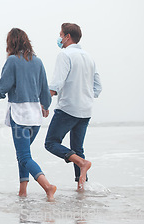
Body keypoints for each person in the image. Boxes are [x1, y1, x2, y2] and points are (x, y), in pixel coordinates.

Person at [0, 28, 56, 201]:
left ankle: (47, 186)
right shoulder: (38, 61)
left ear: (11, 43)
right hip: (36, 118)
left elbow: (2, 87)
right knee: (24, 155)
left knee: (24, 156)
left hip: (20, 116)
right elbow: (44, 88)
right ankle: (23, 191)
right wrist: (46, 106)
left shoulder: (12, 61)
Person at [45, 23, 102, 191]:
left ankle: (82, 163)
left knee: (51, 142)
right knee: (77, 148)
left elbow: (56, 84)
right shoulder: (89, 57)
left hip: (68, 109)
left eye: (60, 35)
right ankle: (82, 188)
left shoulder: (65, 55)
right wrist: (84, 95)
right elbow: (98, 88)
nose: (59, 38)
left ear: (67, 36)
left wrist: (43, 101)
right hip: (85, 111)